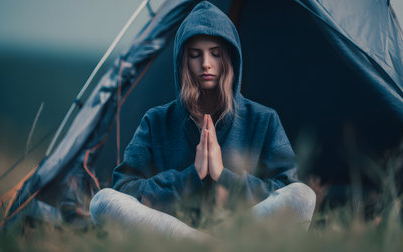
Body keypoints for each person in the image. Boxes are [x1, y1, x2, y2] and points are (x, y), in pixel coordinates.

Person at [90, 1, 316, 240]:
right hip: (174, 232)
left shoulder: (263, 119)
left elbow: (284, 187)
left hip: (239, 230)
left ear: (229, 58)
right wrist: (190, 177)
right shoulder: (156, 120)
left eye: (215, 54)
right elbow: (124, 187)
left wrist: (224, 176)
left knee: (303, 195)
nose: (206, 63)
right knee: (102, 201)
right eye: (195, 55)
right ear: (183, 61)